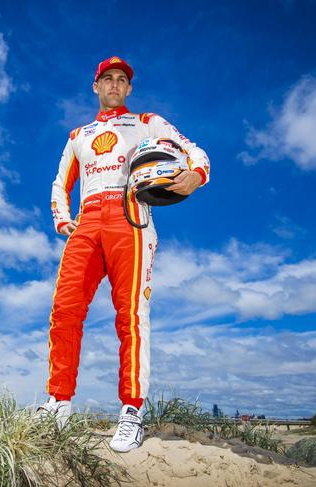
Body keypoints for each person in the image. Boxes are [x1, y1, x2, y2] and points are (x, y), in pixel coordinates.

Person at [36, 56, 210, 453]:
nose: (114, 85)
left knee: (130, 314)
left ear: (129, 88)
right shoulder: (78, 134)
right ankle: (58, 404)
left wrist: (193, 177)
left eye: (121, 80)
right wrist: (66, 223)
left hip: (129, 215)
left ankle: (132, 411)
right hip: (88, 221)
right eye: (107, 79)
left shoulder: (148, 122)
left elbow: (194, 151)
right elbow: (59, 183)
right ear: (95, 86)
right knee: (64, 310)